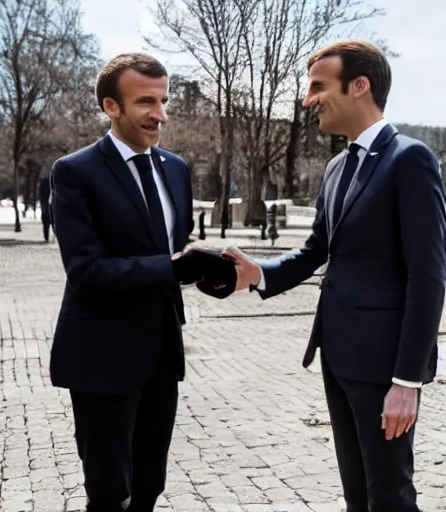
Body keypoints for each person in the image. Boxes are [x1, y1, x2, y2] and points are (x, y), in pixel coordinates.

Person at [222, 40, 446, 512]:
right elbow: (315, 251)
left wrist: (408, 381)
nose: (309, 99)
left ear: (359, 86)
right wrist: (257, 273)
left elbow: (429, 276)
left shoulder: (411, 160)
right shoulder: (335, 167)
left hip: (386, 366)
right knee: (357, 496)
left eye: (318, 87)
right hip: (338, 356)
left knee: (390, 497)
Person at [49, 53, 235, 512]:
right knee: (111, 495)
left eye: (164, 100)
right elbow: (86, 272)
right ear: (111, 106)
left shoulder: (176, 169)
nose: (161, 114)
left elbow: (175, 248)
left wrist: (211, 274)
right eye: (146, 102)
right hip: (100, 356)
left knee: (150, 488)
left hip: (161, 354)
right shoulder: (74, 171)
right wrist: (175, 266)